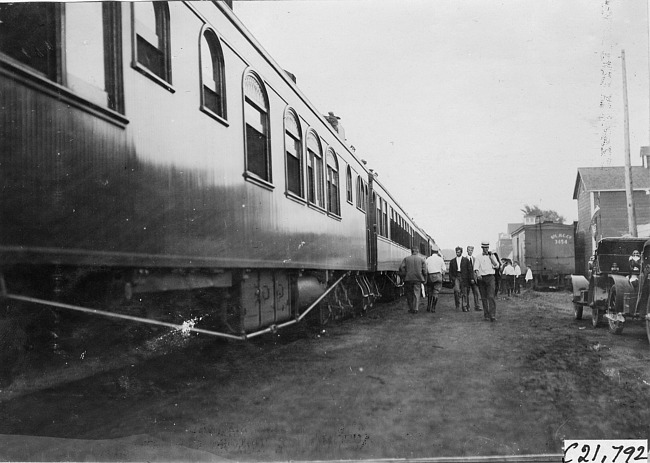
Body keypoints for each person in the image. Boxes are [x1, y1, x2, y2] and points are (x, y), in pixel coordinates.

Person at [473, 240, 500, 322]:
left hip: (490, 278)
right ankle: (486, 315)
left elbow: (497, 266)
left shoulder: (492, 256)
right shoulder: (478, 257)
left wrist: (492, 259)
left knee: (491, 296)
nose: (486, 249)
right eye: (484, 248)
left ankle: (492, 315)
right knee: (484, 298)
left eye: (487, 247)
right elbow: (476, 268)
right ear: (482, 248)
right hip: (481, 279)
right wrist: (478, 274)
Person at [399, 247, 427, 314]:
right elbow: (425, 271)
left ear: (411, 251)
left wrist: (404, 275)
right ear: (417, 252)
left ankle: (411, 308)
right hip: (418, 279)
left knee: (409, 294)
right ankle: (416, 309)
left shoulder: (406, 259)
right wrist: (424, 278)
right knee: (416, 294)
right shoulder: (421, 259)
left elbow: (401, 267)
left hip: (408, 279)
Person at [448, 246, 473, 311]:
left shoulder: (466, 260)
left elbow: (470, 270)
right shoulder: (452, 261)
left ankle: (464, 306)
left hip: (464, 277)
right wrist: (451, 278)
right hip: (456, 276)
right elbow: (450, 271)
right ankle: (457, 305)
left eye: (458, 252)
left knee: (464, 292)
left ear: (461, 252)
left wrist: (471, 278)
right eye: (456, 252)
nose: (457, 253)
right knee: (456, 291)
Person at [425, 244, 446, 312]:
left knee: (430, 292)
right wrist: (442, 275)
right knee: (436, 292)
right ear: (437, 252)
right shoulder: (440, 259)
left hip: (430, 276)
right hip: (438, 276)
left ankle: (428, 306)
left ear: (431, 251)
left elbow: (425, 268)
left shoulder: (428, 259)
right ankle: (433, 307)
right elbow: (444, 269)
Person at [466, 246, 481, 311]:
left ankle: (477, 306)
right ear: (467, 251)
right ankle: (467, 306)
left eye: (471, 250)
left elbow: (476, 269)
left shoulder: (475, 259)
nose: (470, 251)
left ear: (472, 251)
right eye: (469, 250)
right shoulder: (464, 259)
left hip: (474, 279)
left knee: (476, 293)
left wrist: (476, 277)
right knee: (467, 293)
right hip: (467, 279)